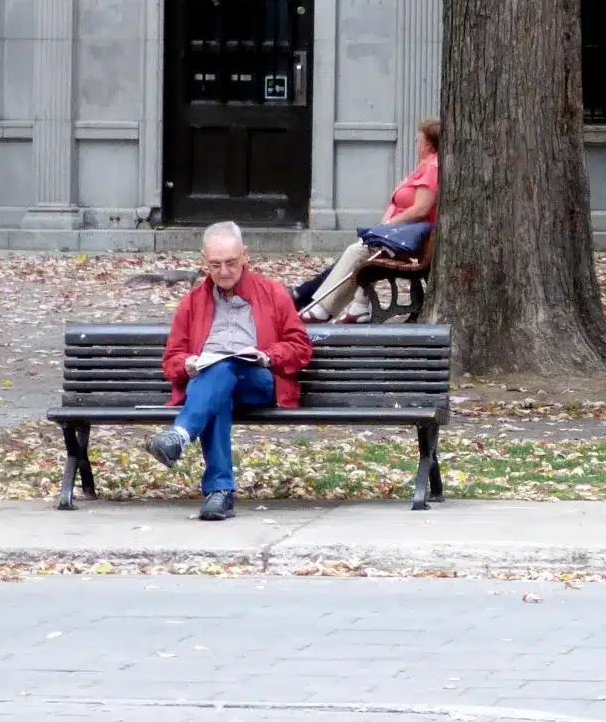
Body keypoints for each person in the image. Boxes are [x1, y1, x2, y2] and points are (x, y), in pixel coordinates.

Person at [144, 222, 312, 520]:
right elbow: (172, 359)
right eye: (215, 264)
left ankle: (181, 437)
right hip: (211, 384)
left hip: (258, 380)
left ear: (245, 255)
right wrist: (188, 364)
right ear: (203, 261)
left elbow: (300, 346)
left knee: (225, 366)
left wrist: (266, 355)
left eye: (231, 263)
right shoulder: (193, 302)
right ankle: (220, 495)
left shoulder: (271, 293)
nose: (223, 271)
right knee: (216, 384)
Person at [293, 117, 440, 322]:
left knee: (357, 251)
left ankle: (323, 308)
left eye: (419, 140)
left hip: (405, 240)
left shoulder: (432, 167)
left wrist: (388, 226)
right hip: (400, 237)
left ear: (429, 144)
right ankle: (357, 307)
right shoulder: (427, 166)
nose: (417, 144)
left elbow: (421, 209)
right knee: (362, 250)